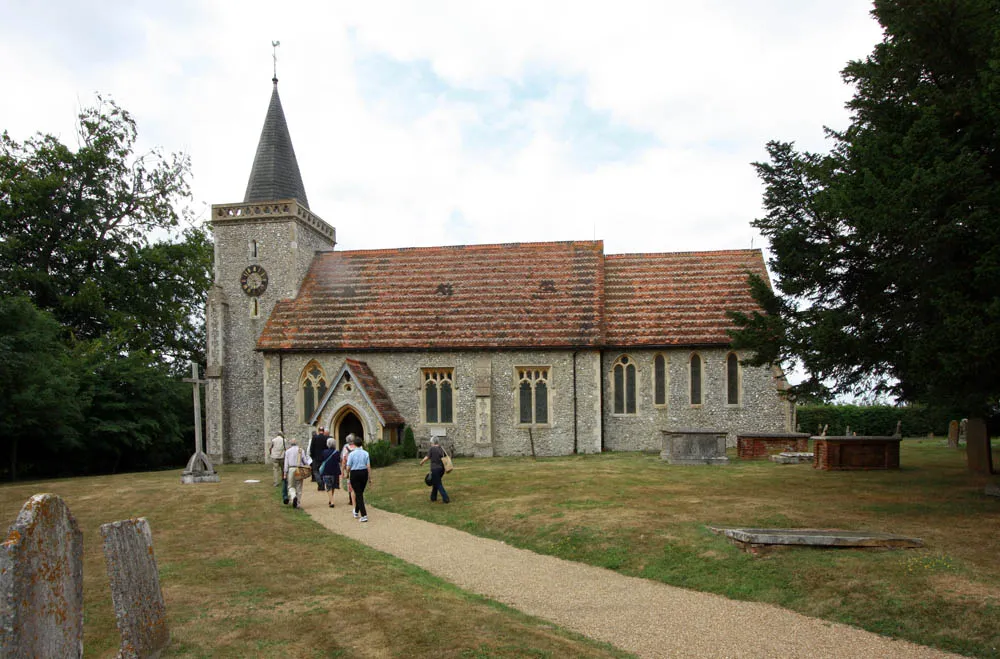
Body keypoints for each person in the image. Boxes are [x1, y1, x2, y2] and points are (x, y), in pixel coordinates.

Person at [346, 434, 372, 522]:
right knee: (359, 493)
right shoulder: (366, 453)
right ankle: (356, 511)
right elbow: (368, 466)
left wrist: (347, 473)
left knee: (359, 494)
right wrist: (369, 477)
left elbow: (348, 466)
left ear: (354, 444)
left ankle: (364, 515)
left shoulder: (351, 454)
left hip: (355, 473)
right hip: (364, 473)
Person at [420, 436, 451, 503]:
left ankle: (446, 498)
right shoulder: (441, 448)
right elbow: (446, 457)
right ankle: (433, 497)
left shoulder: (432, 449)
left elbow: (427, 457)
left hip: (435, 469)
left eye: (431, 442)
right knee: (435, 482)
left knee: (438, 484)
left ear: (433, 442)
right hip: (442, 469)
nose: (431, 443)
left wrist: (422, 462)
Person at [283, 437, 312, 509]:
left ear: (291, 444)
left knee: (290, 486)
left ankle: (293, 496)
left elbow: (286, 464)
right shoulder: (301, 450)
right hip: (299, 469)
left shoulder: (288, 451)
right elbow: (305, 461)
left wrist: (285, 473)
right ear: (296, 443)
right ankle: (298, 503)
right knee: (299, 486)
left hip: (291, 469)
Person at [318, 436, 341, 508]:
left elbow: (321, 460)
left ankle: (332, 501)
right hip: (335, 471)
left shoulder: (324, 452)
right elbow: (338, 460)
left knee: (328, 486)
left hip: (326, 471)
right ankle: (331, 499)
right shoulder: (337, 452)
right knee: (333, 486)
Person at [340, 434, 355, 507]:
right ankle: (358, 498)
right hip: (358, 468)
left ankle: (351, 500)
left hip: (349, 468)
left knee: (350, 483)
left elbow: (344, 460)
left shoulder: (346, 448)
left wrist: (342, 471)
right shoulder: (358, 446)